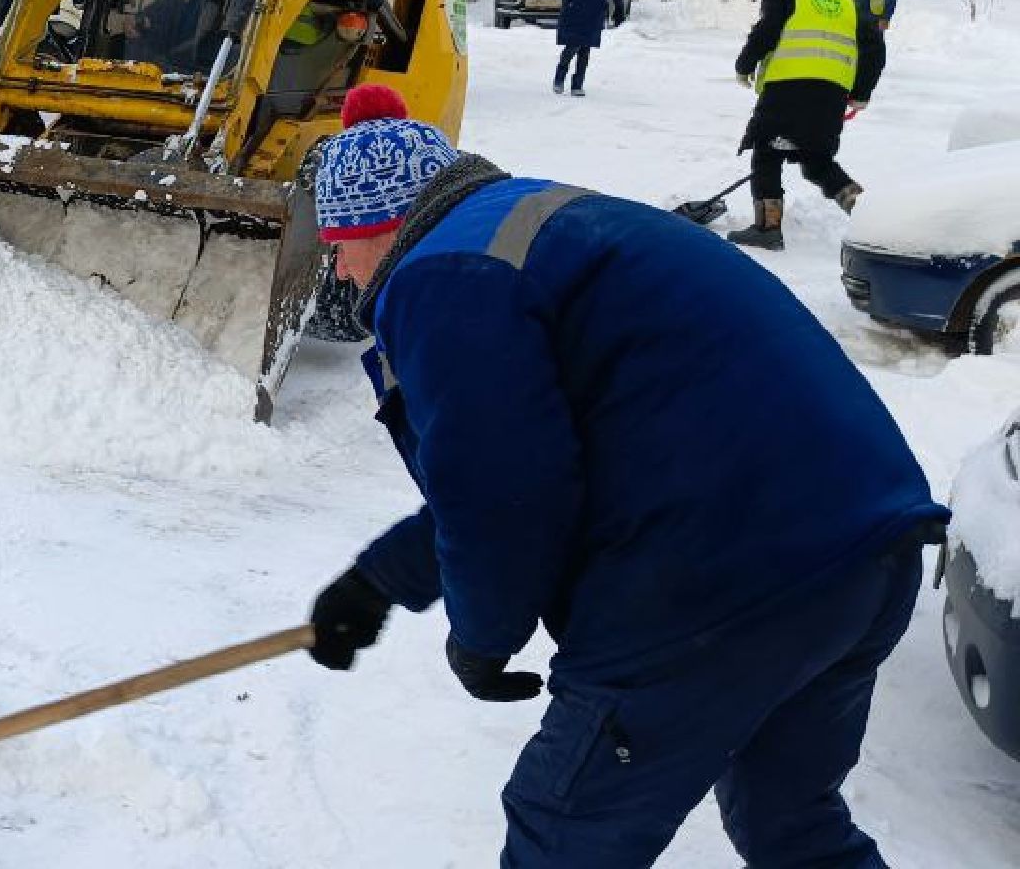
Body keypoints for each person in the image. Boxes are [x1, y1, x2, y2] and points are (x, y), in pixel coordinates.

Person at [300, 92, 947, 868]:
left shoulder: (445, 276)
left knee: (564, 834)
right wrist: (378, 581)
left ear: (379, 224)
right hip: (862, 548)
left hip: (716, 579)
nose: (338, 264)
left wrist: (481, 637)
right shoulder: (536, 224)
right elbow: (519, 466)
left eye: (338, 242)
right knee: (793, 824)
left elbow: (504, 501)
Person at [725, 0, 885, 250]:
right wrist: (861, 93)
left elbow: (766, 32)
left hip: (787, 89)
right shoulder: (847, 6)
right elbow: (875, 47)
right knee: (817, 160)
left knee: (767, 152)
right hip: (831, 96)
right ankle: (872, 218)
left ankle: (767, 227)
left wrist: (744, 65)